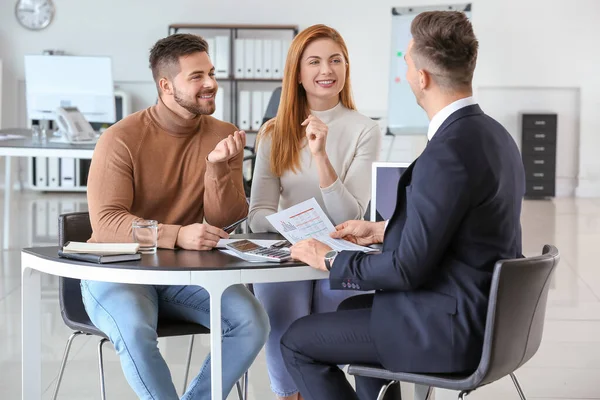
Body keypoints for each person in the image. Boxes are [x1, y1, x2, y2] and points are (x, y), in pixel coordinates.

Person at [280, 11, 526, 400]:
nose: (407, 71)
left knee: (296, 341)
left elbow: (404, 270)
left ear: (422, 77)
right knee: (349, 313)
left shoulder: (448, 153)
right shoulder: (493, 135)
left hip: (447, 329)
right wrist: (382, 230)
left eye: (407, 63)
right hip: (485, 316)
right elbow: (459, 228)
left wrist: (327, 258)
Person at [81, 33, 270, 400]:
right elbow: (106, 222)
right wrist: (178, 234)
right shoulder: (119, 138)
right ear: (166, 86)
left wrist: (216, 168)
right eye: (196, 76)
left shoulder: (225, 135)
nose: (211, 84)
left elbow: (228, 218)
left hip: (184, 275)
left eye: (211, 73)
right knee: (135, 329)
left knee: (251, 321)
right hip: (117, 271)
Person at [247, 24, 381, 400]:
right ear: (299, 74)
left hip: (339, 252)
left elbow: (350, 214)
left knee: (327, 334)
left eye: (336, 60)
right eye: (315, 62)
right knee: (283, 317)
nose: (327, 70)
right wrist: (291, 229)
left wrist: (321, 155)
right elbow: (258, 213)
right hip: (288, 251)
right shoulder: (274, 132)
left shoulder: (364, 130)